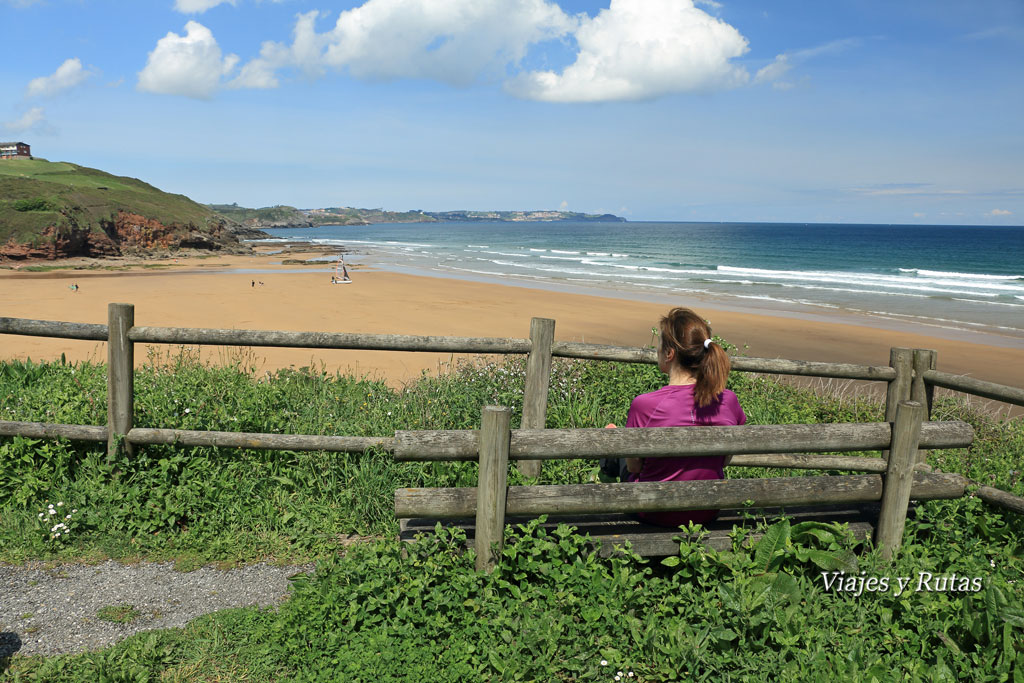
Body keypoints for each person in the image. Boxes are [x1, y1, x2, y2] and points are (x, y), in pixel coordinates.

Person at [606, 307, 746, 528]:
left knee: (613, 437)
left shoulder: (646, 404)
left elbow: (633, 467)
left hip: (654, 513)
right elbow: (726, 459)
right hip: (707, 512)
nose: (658, 350)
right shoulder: (728, 401)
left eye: (659, 345)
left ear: (670, 354)